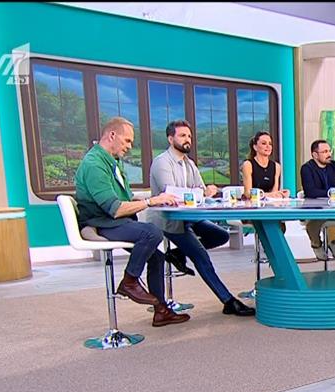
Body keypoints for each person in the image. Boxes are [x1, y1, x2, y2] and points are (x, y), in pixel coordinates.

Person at [74, 117, 189, 327]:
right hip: (102, 223)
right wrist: (150, 201)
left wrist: (155, 199)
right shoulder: (94, 164)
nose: (129, 146)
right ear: (112, 135)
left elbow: (123, 199)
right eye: (127, 141)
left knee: (157, 258)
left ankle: (161, 311)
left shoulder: (112, 161)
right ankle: (129, 281)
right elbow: (115, 209)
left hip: (114, 220)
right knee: (152, 232)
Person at [149, 120, 255, 317]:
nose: (187, 139)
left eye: (189, 136)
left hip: (189, 217)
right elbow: (170, 194)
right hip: (168, 220)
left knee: (221, 235)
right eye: (182, 136)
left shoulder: (189, 164)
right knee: (200, 255)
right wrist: (199, 192)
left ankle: (178, 253)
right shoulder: (162, 162)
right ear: (170, 139)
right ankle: (228, 301)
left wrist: (203, 192)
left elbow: (200, 189)